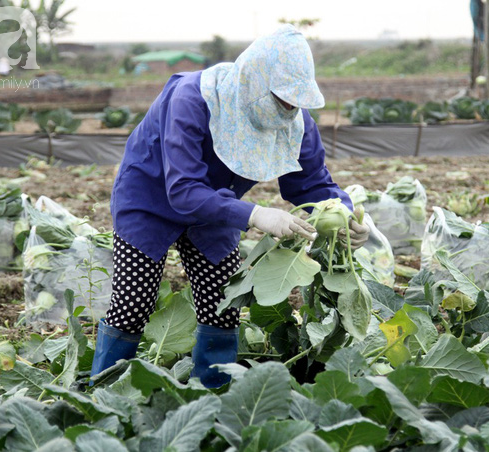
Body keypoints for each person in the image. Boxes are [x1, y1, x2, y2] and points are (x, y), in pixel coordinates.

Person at [90, 25, 370, 388]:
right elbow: (184, 189)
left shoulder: (295, 122)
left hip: (217, 208)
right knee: (133, 304)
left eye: (295, 99)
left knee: (223, 303)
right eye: (282, 97)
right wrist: (256, 215)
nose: (290, 107)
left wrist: (344, 216)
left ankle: (213, 391)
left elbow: (313, 183)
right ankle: (101, 394)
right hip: (150, 200)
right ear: (255, 81)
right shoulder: (192, 98)